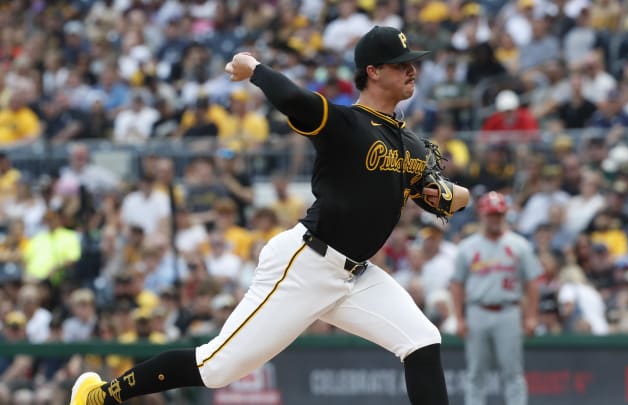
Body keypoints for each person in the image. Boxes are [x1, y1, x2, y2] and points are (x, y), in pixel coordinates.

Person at [69, 26, 470, 405]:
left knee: (421, 339)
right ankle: (101, 396)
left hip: (356, 275)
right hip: (306, 263)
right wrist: (256, 70)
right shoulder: (347, 123)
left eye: (411, 62)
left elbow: (454, 198)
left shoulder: (410, 143)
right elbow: (296, 100)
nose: (412, 69)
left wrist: (450, 195)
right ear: (373, 71)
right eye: (401, 63)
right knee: (217, 367)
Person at [450, 191, 540, 405]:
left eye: (498, 214)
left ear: (505, 214)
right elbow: (457, 284)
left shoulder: (519, 245)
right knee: (476, 373)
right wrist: (459, 318)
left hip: (508, 311)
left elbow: (532, 283)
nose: (494, 219)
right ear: (481, 214)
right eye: (490, 214)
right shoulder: (468, 247)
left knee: (513, 372)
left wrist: (531, 317)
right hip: (477, 311)